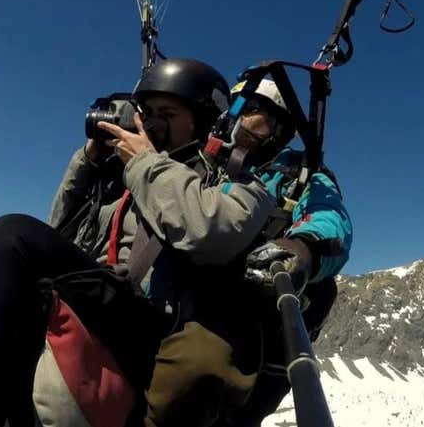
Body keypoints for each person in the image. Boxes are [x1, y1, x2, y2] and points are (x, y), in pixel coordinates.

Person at [0, 58, 276, 427]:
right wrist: (88, 160)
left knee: (13, 232)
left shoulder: (237, 182)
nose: (152, 126)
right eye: (148, 115)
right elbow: (57, 232)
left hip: (149, 322)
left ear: (204, 122)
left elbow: (211, 231)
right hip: (100, 297)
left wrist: (143, 163)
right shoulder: (131, 179)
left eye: (167, 115)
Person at [144, 78, 352, 427]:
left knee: (192, 375)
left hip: (239, 306)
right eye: (238, 105)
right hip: (168, 293)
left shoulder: (298, 175)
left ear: (278, 126)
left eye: (253, 108)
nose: (239, 115)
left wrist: (303, 247)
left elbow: (330, 218)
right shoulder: (204, 160)